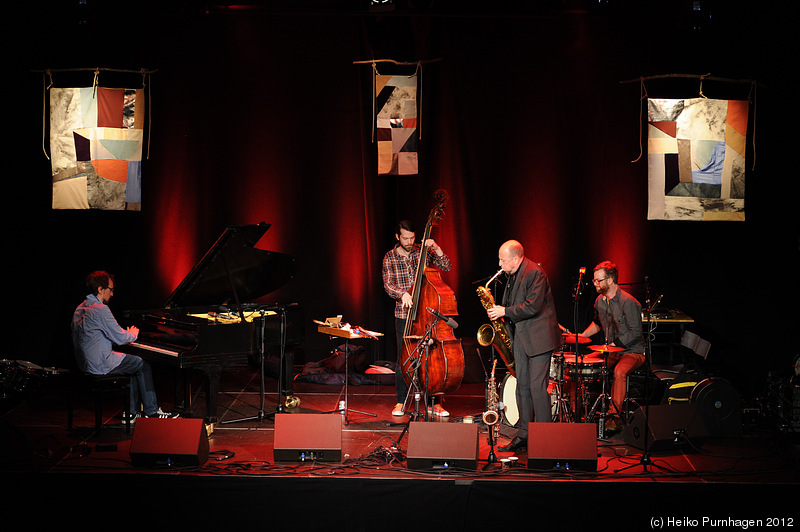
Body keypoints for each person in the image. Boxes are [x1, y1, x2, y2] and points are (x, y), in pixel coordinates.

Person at [71, 271, 178, 421]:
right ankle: (151, 411)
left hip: (84, 364)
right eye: (111, 289)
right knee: (142, 364)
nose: (112, 294)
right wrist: (133, 333)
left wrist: (119, 336)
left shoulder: (80, 308)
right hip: (100, 364)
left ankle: (130, 413)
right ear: (100, 289)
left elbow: (94, 337)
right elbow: (121, 338)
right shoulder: (100, 309)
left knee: (131, 364)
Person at [487, 240, 561, 452]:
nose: (500, 263)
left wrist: (505, 311)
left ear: (516, 258)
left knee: (538, 389)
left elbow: (533, 306)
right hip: (522, 337)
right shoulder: (512, 275)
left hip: (539, 338)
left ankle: (546, 438)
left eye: (503, 259)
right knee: (523, 388)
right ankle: (524, 435)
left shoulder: (535, 273)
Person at [382, 220, 453, 418]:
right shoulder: (389, 257)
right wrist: (403, 293)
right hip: (404, 316)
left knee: (431, 358)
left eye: (412, 237)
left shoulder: (422, 250)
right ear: (397, 237)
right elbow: (388, 284)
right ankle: (400, 401)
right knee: (403, 360)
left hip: (428, 315)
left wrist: (436, 248)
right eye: (405, 238)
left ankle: (434, 402)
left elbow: (446, 265)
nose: (410, 241)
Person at [579, 261, 645, 428]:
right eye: (594, 280)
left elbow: (636, 332)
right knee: (582, 363)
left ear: (610, 281)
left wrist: (615, 344)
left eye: (598, 280)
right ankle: (576, 410)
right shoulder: (600, 301)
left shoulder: (629, 302)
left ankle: (613, 417)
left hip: (633, 351)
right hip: (612, 351)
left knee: (620, 371)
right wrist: (582, 336)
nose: (595, 283)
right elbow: (597, 323)